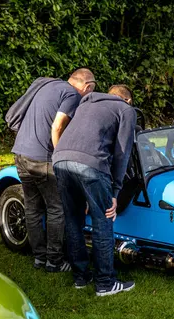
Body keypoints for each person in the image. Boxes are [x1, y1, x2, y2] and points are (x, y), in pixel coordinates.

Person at [52, 85, 136, 296]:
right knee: (103, 220)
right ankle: (106, 283)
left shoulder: (86, 102)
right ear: (127, 101)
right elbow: (122, 152)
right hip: (91, 165)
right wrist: (115, 192)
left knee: (73, 220)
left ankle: (81, 277)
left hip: (60, 159)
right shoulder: (126, 110)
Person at [11, 68, 95, 272]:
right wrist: (60, 156)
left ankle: (39, 257)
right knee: (56, 208)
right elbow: (57, 126)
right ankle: (54, 261)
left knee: (32, 207)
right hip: (43, 159)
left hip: (20, 153)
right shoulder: (72, 94)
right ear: (87, 86)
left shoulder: (48, 85)